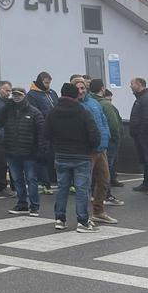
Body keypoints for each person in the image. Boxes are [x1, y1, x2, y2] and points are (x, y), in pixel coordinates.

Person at [46, 82, 100, 231]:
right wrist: (91, 148)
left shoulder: (53, 112)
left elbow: (46, 134)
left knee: (62, 187)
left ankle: (60, 219)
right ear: (75, 95)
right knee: (82, 189)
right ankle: (82, 221)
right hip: (81, 155)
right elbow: (94, 135)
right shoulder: (83, 112)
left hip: (61, 155)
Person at [72, 76, 114, 224]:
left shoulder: (94, 102)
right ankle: (84, 216)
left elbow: (103, 120)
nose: (81, 91)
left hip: (101, 148)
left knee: (104, 180)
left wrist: (107, 136)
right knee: (85, 184)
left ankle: (98, 211)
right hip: (87, 150)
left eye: (83, 88)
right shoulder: (74, 106)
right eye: (78, 88)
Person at [0, 86, 43, 215]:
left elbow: (41, 132)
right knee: (17, 180)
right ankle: (22, 204)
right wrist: (6, 107)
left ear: (24, 96)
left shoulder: (34, 112)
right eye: (14, 95)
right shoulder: (8, 111)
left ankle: (34, 206)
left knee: (31, 179)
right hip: (12, 151)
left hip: (29, 152)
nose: (16, 97)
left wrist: (40, 151)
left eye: (19, 95)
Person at [89, 80, 125, 210]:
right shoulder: (105, 104)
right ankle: (106, 196)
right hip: (107, 142)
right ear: (102, 89)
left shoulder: (89, 103)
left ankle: (94, 194)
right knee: (105, 172)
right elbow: (113, 125)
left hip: (93, 142)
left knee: (94, 171)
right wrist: (116, 138)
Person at [28, 72, 58, 194]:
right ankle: (45, 183)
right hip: (42, 129)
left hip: (55, 128)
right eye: (46, 83)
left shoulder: (52, 93)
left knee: (54, 156)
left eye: (49, 83)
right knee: (43, 156)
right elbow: (35, 112)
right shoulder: (32, 95)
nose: (48, 85)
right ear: (40, 81)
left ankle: (54, 179)